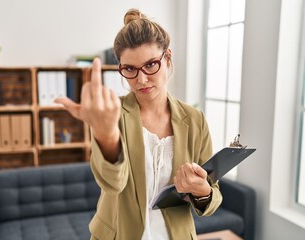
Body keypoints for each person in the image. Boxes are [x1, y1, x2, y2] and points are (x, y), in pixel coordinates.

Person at [55, 8, 222, 240]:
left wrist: (201, 191)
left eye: (151, 64)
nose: (141, 79)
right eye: (130, 69)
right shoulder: (111, 113)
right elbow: (112, 183)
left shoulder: (194, 120)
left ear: (168, 58)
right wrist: (105, 135)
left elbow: (212, 196)